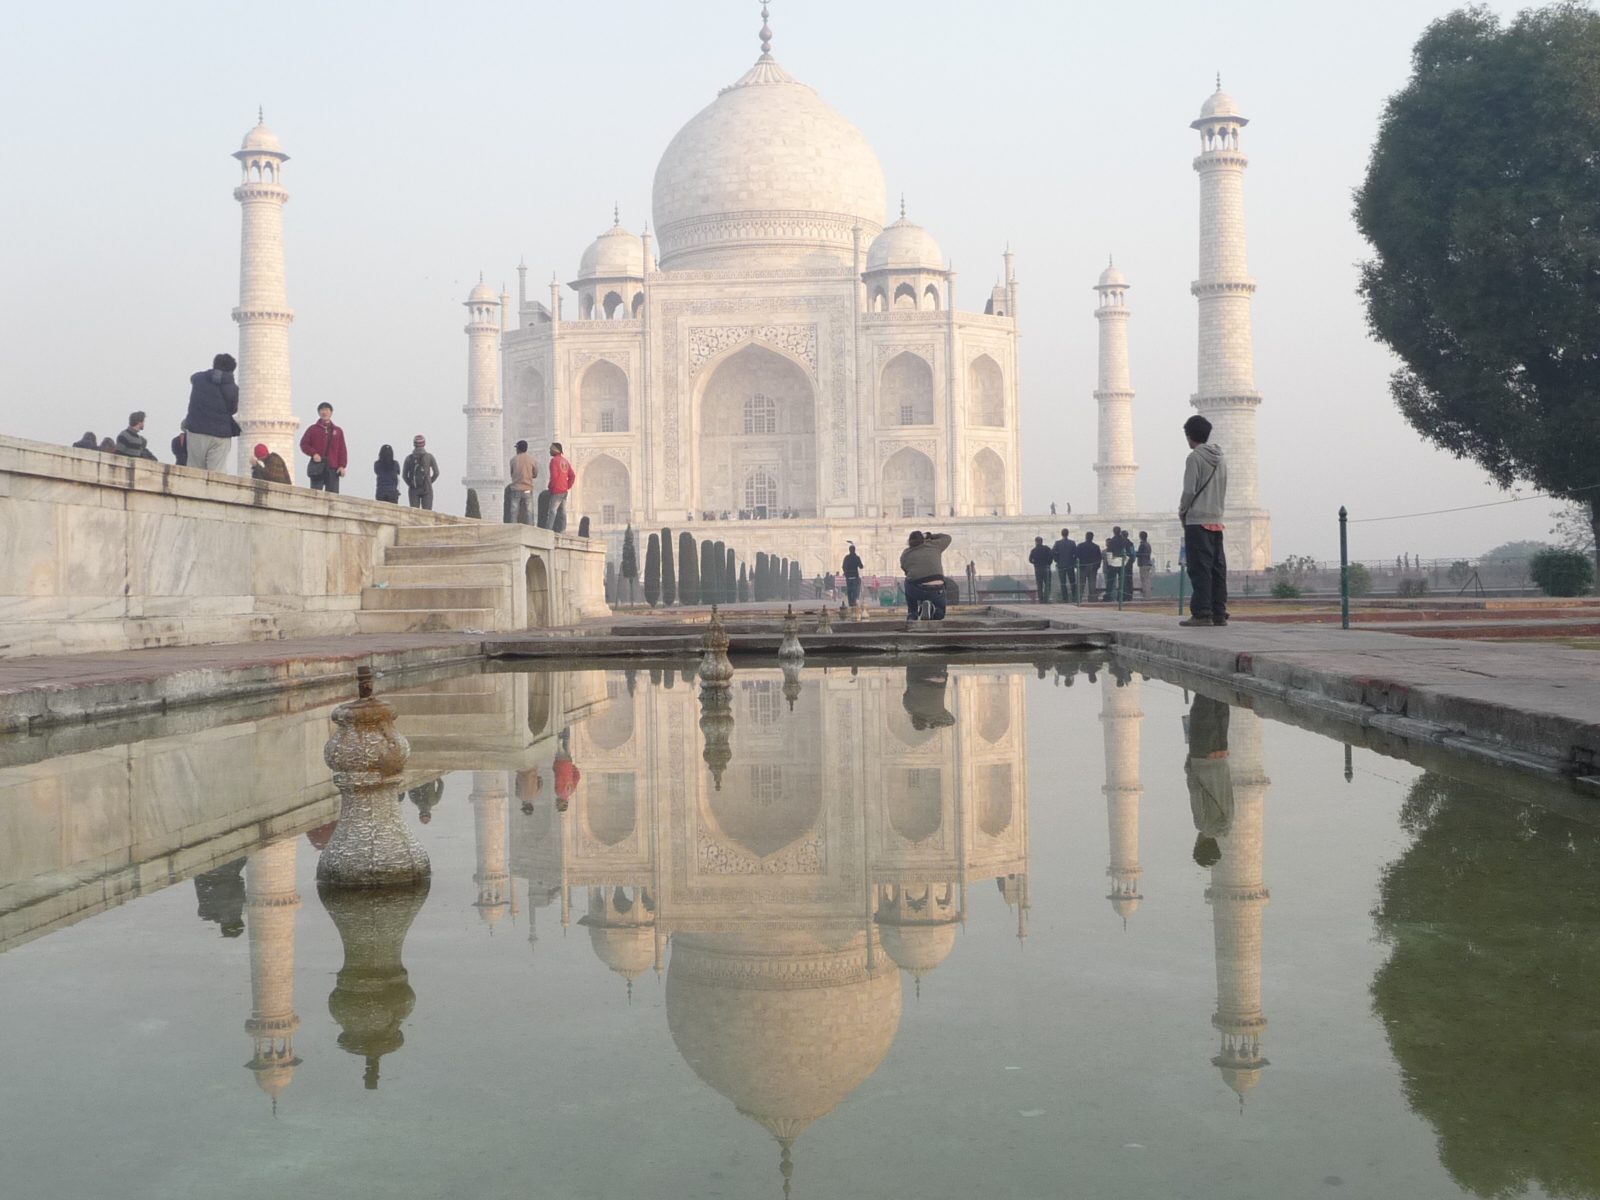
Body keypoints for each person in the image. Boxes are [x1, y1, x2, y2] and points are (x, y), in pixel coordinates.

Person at [1178, 413, 1229, 627]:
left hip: (1197, 520)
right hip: (1216, 519)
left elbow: (1189, 490)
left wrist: (1183, 510)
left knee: (1200, 568)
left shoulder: (1195, 457)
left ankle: (1201, 613)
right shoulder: (1221, 458)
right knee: (1217, 569)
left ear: (1189, 436)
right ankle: (1219, 612)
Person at [1186, 693, 1233, 867]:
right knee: (1202, 711)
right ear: (1200, 845)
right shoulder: (1203, 825)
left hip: (1221, 761)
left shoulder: (1228, 824)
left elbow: (1229, 794)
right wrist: (1188, 766)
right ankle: (1204, 681)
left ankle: (1221, 680)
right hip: (1202, 762)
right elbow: (1196, 791)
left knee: (1219, 711)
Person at [185, 353, 240, 472]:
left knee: (195, 470)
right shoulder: (234, 389)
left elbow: (192, 378)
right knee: (217, 472)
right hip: (221, 434)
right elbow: (233, 410)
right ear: (232, 371)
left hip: (196, 430)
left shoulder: (198, 378)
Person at [900, 529, 952, 620]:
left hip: (918, 589)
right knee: (941, 613)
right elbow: (947, 538)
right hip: (937, 589)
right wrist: (929, 536)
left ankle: (912, 613)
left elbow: (906, 571)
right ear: (923, 539)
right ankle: (932, 610)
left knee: (907, 581)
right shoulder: (934, 545)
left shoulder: (906, 553)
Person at [299, 402, 348, 493]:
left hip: (333, 467)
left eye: (326, 410)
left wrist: (342, 466)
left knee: (333, 495)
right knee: (315, 494)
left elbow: (342, 449)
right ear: (318, 412)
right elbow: (304, 444)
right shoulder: (312, 429)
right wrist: (313, 453)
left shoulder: (338, 431)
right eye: (322, 410)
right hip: (318, 467)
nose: (324, 412)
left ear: (331, 412)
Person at [901, 663, 956, 730]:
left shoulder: (936, 714)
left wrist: (934, 723)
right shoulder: (909, 708)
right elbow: (907, 694)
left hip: (939, 678)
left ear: (926, 722)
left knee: (939, 657)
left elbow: (951, 721)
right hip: (918, 677)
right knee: (913, 663)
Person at [541, 442, 574, 531]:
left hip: (557, 490)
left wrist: (551, 488)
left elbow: (554, 476)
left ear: (555, 450)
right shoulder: (565, 461)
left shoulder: (554, 461)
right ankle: (563, 530)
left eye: (550, 450)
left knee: (552, 511)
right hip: (563, 491)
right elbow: (572, 475)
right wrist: (567, 486)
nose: (549, 451)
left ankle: (549, 529)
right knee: (562, 512)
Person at [402, 435, 439, 510]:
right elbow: (436, 473)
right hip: (426, 488)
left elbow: (404, 475)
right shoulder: (429, 457)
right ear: (424, 444)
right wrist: (429, 481)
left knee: (414, 514)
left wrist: (411, 484)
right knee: (427, 514)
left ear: (414, 444)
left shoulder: (409, 458)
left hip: (413, 489)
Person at [508, 439, 538, 524]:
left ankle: (513, 528)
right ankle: (531, 529)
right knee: (529, 511)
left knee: (514, 511)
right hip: (527, 489)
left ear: (519, 449)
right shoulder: (532, 460)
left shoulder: (513, 460)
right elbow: (535, 474)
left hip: (516, 489)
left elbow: (512, 473)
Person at [552, 729, 580, 814]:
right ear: (563, 804)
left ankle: (566, 725)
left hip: (568, 763)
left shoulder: (570, 792)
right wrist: (555, 768)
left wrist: (572, 767)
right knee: (557, 743)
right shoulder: (559, 793)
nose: (556, 804)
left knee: (566, 742)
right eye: (558, 805)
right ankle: (557, 724)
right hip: (560, 763)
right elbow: (559, 777)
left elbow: (577, 777)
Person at [1052, 528, 1078, 603]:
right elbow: (1076, 554)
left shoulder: (1058, 543)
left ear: (1061, 534)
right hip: (1070, 565)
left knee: (1063, 583)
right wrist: (1073, 561)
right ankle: (1074, 597)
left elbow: (1053, 552)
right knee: (1072, 582)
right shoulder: (1072, 543)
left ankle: (1065, 599)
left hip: (1061, 565)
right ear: (1068, 534)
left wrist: (1057, 559)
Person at [1076, 532, 1103, 601]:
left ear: (1086, 537)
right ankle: (1092, 600)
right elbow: (1099, 558)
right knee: (1092, 585)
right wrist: (1096, 567)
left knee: (1081, 585)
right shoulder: (1096, 547)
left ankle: (1079, 599)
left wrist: (1078, 566)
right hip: (1093, 568)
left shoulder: (1080, 546)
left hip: (1082, 568)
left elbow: (1076, 556)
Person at [1028, 536, 1054, 603]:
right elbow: (1051, 557)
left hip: (1038, 569)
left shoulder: (1034, 550)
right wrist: (1048, 564)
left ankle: (1040, 599)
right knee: (1047, 584)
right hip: (1046, 568)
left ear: (1036, 542)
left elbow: (1030, 560)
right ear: (1042, 541)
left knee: (1039, 585)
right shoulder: (1047, 549)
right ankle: (1046, 598)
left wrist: (1035, 563)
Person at [842, 542, 864, 608]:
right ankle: (854, 602)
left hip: (848, 577)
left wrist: (846, 572)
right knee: (855, 589)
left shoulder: (846, 558)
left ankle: (850, 603)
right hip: (855, 576)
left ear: (849, 550)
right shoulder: (856, 557)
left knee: (849, 590)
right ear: (854, 550)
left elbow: (843, 566)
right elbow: (861, 566)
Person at [1136, 531, 1154, 599]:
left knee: (1144, 581)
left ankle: (1146, 597)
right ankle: (1148, 596)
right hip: (1148, 563)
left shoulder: (1142, 545)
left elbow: (1139, 554)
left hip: (1143, 563)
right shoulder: (1148, 544)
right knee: (1147, 580)